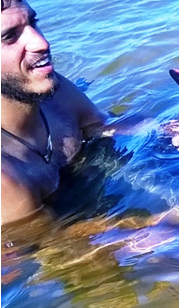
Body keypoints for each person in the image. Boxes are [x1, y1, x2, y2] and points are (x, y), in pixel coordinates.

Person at [1, 0, 107, 225]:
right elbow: (53, 247)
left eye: (33, 22)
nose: (42, 42)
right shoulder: (5, 177)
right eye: (9, 36)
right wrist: (153, 225)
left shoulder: (50, 89)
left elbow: (101, 125)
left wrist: (167, 129)